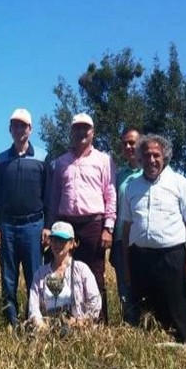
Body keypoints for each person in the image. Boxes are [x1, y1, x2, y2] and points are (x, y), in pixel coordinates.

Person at [121, 134, 186, 343]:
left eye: (156, 155)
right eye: (146, 155)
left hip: (171, 258)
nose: (151, 160)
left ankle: (180, 351)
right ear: (140, 158)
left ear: (164, 156)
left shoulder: (179, 183)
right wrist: (128, 267)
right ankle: (149, 356)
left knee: (175, 311)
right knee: (146, 312)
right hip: (140, 259)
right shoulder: (132, 187)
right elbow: (127, 229)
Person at [50, 113, 116, 323]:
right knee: (66, 271)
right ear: (71, 132)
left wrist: (108, 227)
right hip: (66, 224)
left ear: (92, 132)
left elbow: (110, 194)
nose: (81, 132)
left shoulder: (104, 160)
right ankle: (68, 320)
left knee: (95, 273)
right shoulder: (61, 163)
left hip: (93, 224)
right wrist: (50, 226)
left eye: (85, 128)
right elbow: (55, 195)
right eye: (77, 128)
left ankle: (98, 323)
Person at [0, 108, 51, 327]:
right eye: (15, 125)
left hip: (34, 225)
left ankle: (33, 321)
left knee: (35, 277)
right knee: (8, 278)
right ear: (10, 129)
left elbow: (49, 194)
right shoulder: (2, 159)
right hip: (7, 226)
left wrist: (48, 226)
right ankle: (11, 324)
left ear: (30, 129)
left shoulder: (42, 157)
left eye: (23, 125)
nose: (19, 129)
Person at [27, 221, 101, 328]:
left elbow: (95, 301)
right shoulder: (40, 274)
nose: (57, 244)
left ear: (71, 244)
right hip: (47, 329)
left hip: (77, 329)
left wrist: (81, 322)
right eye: (54, 240)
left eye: (62, 241)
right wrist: (40, 325)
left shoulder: (82, 269)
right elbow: (33, 306)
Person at [110, 127, 142, 325]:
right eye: (125, 143)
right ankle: (130, 329)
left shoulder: (151, 172)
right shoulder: (118, 175)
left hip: (143, 241)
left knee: (145, 285)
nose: (129, 147)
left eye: (133, 142)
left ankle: (149, 328)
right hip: (121, 239)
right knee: (125, 286)